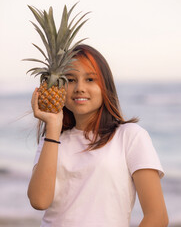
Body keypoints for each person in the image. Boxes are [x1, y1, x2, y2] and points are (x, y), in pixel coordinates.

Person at [28, 44, 169, 227]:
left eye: (90, 79)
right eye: (70, 80)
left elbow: (157, 217)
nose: (79, 88)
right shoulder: (51, 140)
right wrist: (53, 127)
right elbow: (39, 201)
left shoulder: (130, 137)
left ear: (105, 86)